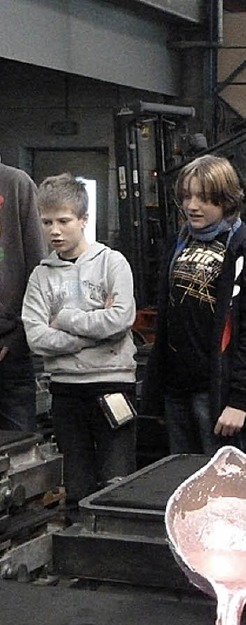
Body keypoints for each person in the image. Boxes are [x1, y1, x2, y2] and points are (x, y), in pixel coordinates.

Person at [143, 154, 246, 456]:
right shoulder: (179, 242)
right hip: (176, 390)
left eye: (203, 198)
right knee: (183, 481)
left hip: (216, 394)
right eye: (187, 196)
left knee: (221, 490)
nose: (192, 206)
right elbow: (166, 320)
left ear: (226, 200)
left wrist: (240, 400)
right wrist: (156, 392)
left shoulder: (245, 248)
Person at [22, 173, 137, 510]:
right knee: (76, 484)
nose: (54, 230)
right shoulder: (41, 276)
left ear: (84, 220)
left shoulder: (112, 263)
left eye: (63, 221)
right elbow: (36, 336)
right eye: (46, 222)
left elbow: (119, 319)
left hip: (113, 385)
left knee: (119, 482)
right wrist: (89, 337)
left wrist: (67, 320)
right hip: (66, 391)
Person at [0, 162, 48, 432]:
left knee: (19, 452)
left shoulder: (16, 184)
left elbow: (36, 270)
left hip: (8, 350)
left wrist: (17, 337)